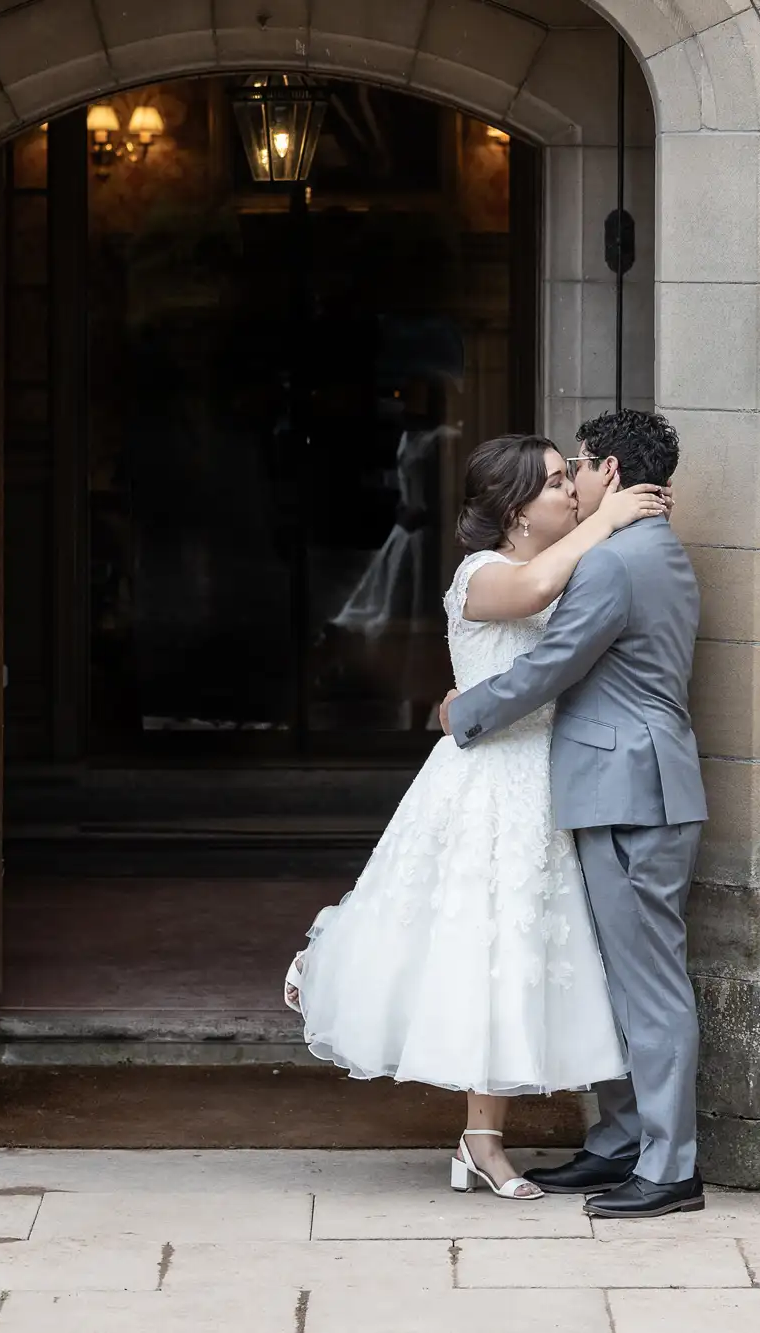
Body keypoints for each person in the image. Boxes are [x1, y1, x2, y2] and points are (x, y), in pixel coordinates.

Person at [286, 432, 671, 1200]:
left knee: (516, 961)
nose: (572, 491)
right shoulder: (481, 575)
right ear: (516, 510)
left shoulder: (570, 569)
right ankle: (325, 963)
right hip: (485, 783)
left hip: (543, 783)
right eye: (557, 482)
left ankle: (480, 1142)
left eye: (574, 478)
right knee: (475, 948)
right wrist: (611, 516)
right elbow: (528, 596)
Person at [439, 409, 706, 1221]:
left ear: (613, 474)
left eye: (581, 467)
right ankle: (622, 1142)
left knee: (649, 985)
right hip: (625, 783)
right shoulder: (642, 549)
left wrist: (464, 712)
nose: (576, 481)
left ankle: (669, 1166)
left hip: (631, 790)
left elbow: (554, 664)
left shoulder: (618, 561)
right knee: (620, 980)